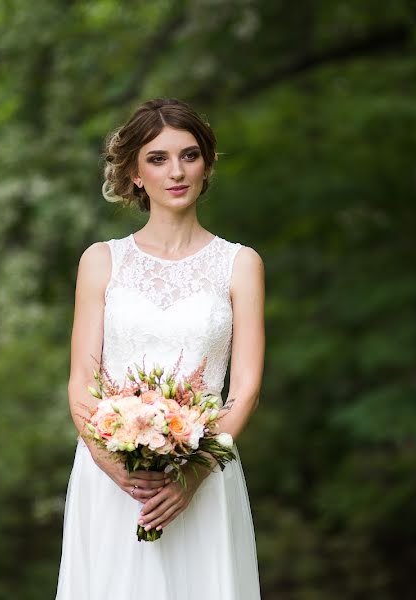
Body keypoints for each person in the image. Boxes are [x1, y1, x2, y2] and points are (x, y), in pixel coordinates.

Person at [55, 97, 265, 599]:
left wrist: (191, 476)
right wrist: (119, 471)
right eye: (157, 158)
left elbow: (245, 388)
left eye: (189, 155)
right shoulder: (101, 261)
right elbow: (82, 383)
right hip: (112, 482)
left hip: (204, 475)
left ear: (207, 165)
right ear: (133, 174)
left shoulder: (240, 264)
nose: (176, 171)